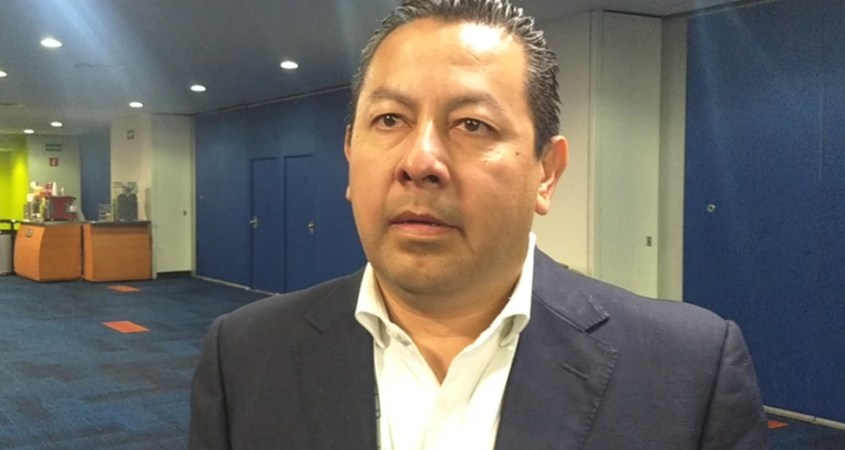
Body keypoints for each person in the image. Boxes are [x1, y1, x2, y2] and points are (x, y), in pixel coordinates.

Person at [189, 0, 768, 448]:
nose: (420, 161)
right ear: (349, 156)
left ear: (547, 173)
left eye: (472, 125)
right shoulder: (244, 355)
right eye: (389, 119)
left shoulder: (689, 373)